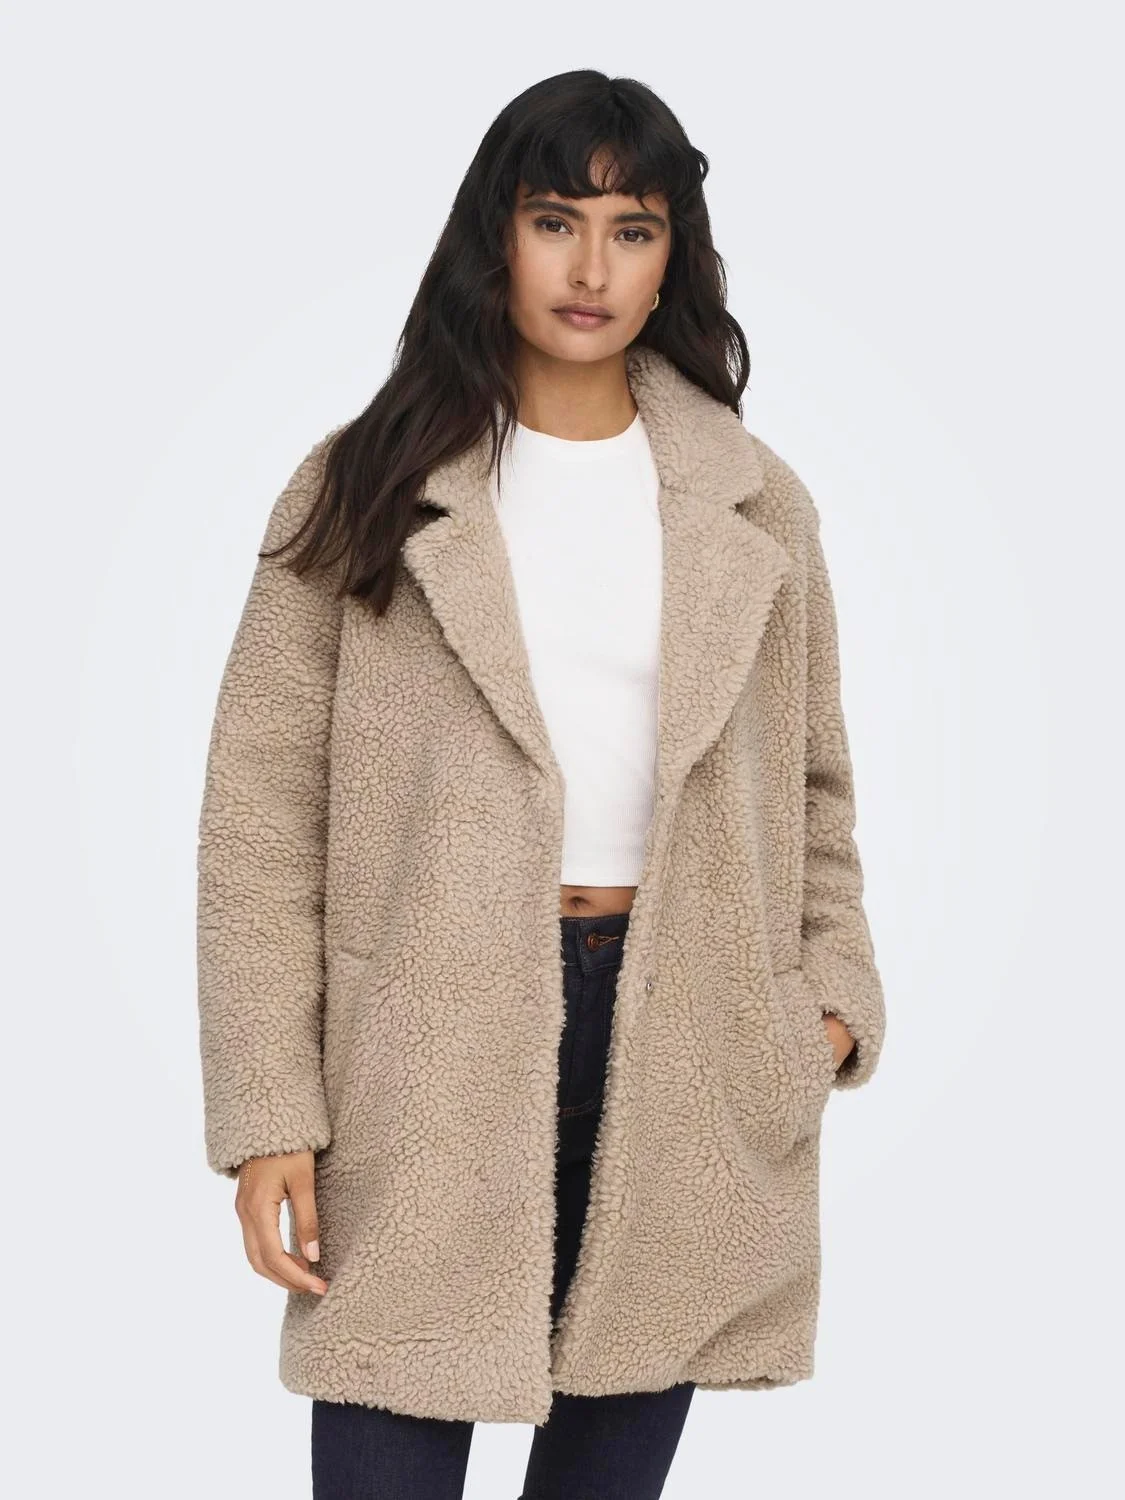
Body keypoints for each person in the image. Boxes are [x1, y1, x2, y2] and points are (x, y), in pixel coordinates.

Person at [196, 69, 887, 1500]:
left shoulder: (756, 501)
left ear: (672, 257)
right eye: (554, 221)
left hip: (687, 1036)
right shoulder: (367, 484)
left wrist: (821, 1012)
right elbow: (259, 818)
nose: (590, 270)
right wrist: (269, 1110)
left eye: (632, 231)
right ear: (493, 238)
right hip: (423, 1044)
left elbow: (816, 788)